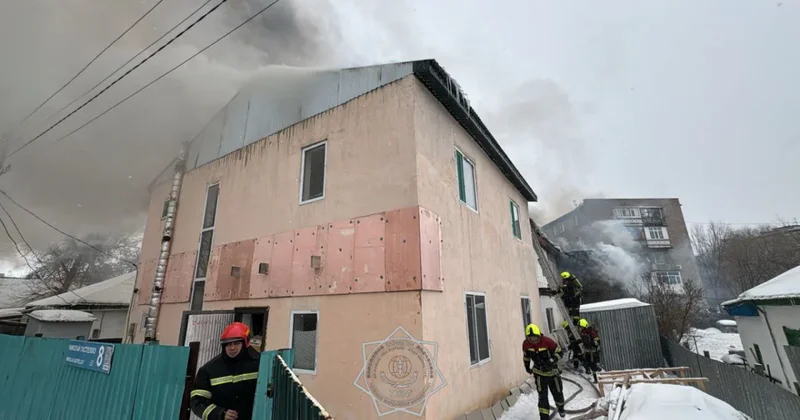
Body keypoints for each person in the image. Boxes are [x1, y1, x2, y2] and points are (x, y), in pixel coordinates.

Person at [190, 322, 261, 420]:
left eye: (236, 343)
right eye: (228, 344)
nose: (232, 348)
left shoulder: (260, 364)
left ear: (246, 343)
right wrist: (220, 414)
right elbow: (197, 402)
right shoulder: (208, 370)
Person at [523, 323, 566, 420]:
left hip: (553, 374)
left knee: (558, 393)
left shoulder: (547, 341)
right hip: (539, 375)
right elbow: (526, 356)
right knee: (542, 397)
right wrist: (527, 366)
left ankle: (561, 408)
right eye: (531, 338)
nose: (534, 340)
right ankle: (544, 417)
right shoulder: (526, 344)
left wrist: (551, 361)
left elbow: (560, 352)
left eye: (535, 337)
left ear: (539, 335)